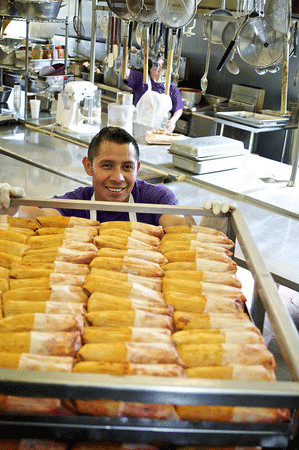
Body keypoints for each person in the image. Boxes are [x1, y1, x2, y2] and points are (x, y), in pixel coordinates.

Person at [2, 127, 235, 227]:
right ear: (88, 166)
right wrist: (11, 210)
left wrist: (206, 230)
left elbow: (178, 227)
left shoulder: (154, 198)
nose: (118, 177)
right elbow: (40, 215)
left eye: (127, 167)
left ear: (138, 168)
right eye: (107, 165)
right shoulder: (78, 202)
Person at [124, 56, 184, 133]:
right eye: (157, 65)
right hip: (139, 128)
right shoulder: (141, 79)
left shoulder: (171, 87)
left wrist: (173, 120)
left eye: (163, 66)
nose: (160, 68)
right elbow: (125, 73)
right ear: (150, 68)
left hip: (160, 131)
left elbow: (179, 107)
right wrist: (127, 53)